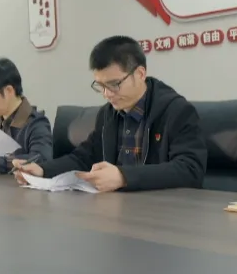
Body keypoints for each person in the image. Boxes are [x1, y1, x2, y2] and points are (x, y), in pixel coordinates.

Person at [14, 35, 207, 193]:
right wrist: (42, 170)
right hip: (115, 208)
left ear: (140, 74)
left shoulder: (176, 111)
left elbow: (190, 170)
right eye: (101, 86)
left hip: (160, 212)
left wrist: (123, 177)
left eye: (114, 84)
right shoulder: (108, 114)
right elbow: (85, 157)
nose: (107, 94)